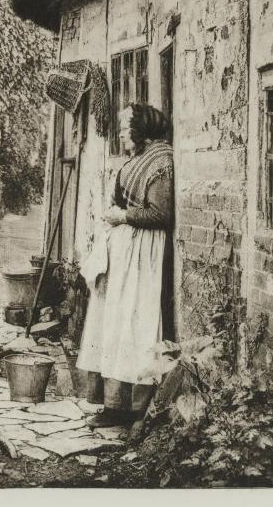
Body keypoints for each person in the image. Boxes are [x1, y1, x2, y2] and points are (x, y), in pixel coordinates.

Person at [76, 103, 174, 428]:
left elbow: (161, 214)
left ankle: (134, 408)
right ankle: (112, 404)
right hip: (124, 250)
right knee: (112, 325)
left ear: (141, 129)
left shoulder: (161, 161)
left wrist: (123, 216)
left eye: (125, 127)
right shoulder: (136, 160)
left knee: (135, 324)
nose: (120, 133)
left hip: (143, 254)